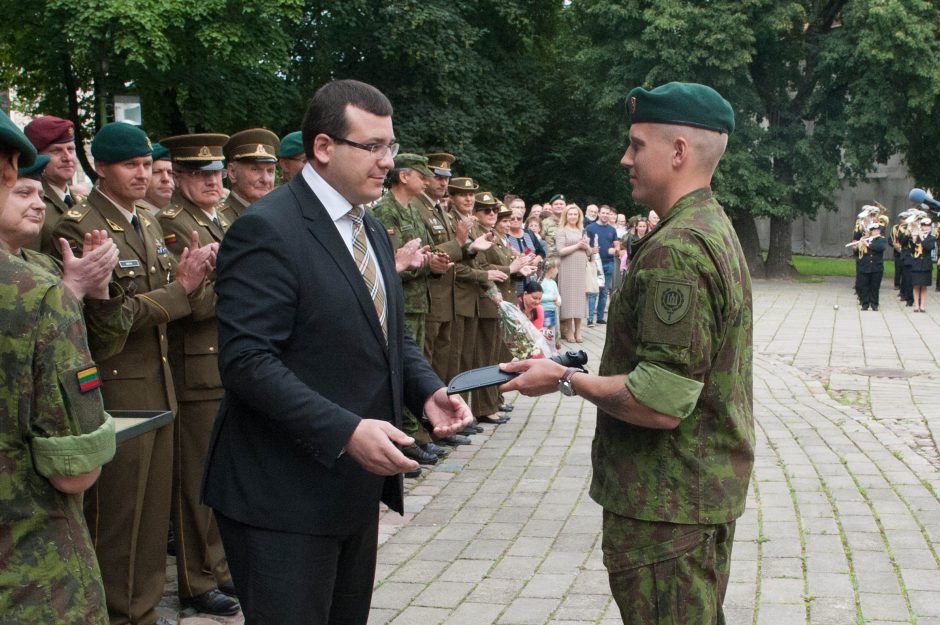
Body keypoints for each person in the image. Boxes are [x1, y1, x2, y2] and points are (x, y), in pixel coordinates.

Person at [202, 79, 473, 625]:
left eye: (391, 146)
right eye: (372, 147)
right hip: (282, 496)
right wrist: (346, 431)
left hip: (349, 489)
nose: (388, 162)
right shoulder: (267, 229)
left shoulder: (365, 224)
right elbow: (247, 362)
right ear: (324, 148)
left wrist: (428, 390)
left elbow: (386, 331)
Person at [501, 82, 753, 625]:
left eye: (637, 145)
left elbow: (659, 401)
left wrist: (565, 380)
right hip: (690, 493)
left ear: (679, 151)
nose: (625, 158)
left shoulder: (679, 249)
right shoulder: (708, 227)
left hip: (666, 502)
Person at [53, 122, 216, 625]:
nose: (143, 174)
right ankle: (118, 611)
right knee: (119, 513)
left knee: (151, 512)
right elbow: (109, 319)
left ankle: (142, 607)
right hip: (117, 383)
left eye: (147, 164)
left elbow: (167, 302)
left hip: (159, 379)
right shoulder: (78, 226)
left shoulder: (144, 222)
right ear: (100, 167)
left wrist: (183, 292)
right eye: (132, 165)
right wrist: (181, 291)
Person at [0, 109, 116, 625]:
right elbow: (77, 470)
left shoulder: (43, 273)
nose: (35, 203)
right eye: (20, 187)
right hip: (28, 568)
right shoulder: (37, 294)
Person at [158, 132, 240, 616]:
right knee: (195, 482)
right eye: (199, 175)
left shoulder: (217, 219)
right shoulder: (173, 224)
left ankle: (218, 567)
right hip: (193, 366)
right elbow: (189, 300)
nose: (211, 182)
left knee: (218, 473)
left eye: (215, 173)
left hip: (220, 359)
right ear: (181, 178)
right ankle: (195, 579)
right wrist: (234, 290)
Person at [373, 152, 452, 467]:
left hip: (419, 299)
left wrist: (434, 262)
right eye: (422, 174)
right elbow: (387, 262)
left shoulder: (414, 211)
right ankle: (406, 438)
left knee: (417, 367)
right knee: (398, 370)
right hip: (398, 299)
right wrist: (417, 264)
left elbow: (422, 253)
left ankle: (416, 435)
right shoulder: (384, 210)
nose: (428, 180)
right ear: (403, 176)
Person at [22, 115, 83, 252]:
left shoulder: (82, 202)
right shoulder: (31, 203)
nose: (67, 158)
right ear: (36, 156)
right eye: (56, 151)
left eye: (71, 149)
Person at [219, 128, 279, 222]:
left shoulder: (279, 215)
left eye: (270, 171)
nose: (266, 179)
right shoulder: (220, 220)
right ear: (232, 172)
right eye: (255, 170)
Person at [555, 203, 591, 342]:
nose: (573, 216)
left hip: (580, 267)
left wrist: (586, 246)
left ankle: (579, 330)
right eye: (570, 214)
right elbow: (561, 251)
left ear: (579, 216)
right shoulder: (562, 231)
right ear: (566, 215)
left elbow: (589, 252)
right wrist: (578, 245)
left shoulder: (582, 230)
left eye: (575, 214)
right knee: (569, 298)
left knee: (579, 299)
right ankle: (569, 330)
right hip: (567, 267)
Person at [586, 204, 619, 326]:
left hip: (609, 263)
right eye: (603, 213)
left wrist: (615, 250)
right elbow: (585, 244)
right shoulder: (590, 228)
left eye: (607, 213)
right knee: (593, 291)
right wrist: (590, 249)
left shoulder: (612, 229)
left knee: (604, 292)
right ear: (599, 214)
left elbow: (617, 245)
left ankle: (600, 317)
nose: (605, 215)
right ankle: (590, 319)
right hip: (595, 263)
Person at [850, 221, 887, 311]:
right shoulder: (863, 239)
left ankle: (874, 304)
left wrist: (868, 244)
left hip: (876, 267)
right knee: (864, 286)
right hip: (864, 266)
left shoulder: (881, 240)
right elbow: (858, 253)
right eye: (874, 230)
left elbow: (880, 248)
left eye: (878, 230)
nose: (877, 232)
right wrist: (855, 247)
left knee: (875, 286)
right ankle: (865, 304)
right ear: (870, 232)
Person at [139, 143, 175, 216]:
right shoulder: (134, 215)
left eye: (170, 172)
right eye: (157, 172)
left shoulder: (183, 217)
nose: (166, 178)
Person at [910, 216, 934, 312]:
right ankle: (916, 305)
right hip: (916, 263)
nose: (926, 227)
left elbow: (929, 247)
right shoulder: (917, 236)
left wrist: (921, 237)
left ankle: (922, 305)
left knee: (924, 286)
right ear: (921, 226)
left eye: (928, 225)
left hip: (926, 264)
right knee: (916, 285)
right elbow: (911, 250)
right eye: (924, 225)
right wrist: (914, 239)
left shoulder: (931, 237)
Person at [540, 258, 562, 349]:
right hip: (545, 311)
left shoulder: (553, 283)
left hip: (553, 311)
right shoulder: (542, 282)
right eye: (557, 268)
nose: (558, 271)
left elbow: (557, 295)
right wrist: (552, 298)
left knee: (552, 330)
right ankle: (546, 348)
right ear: (551, 269)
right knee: (546, 331)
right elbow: (540, 296)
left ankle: (552, 348)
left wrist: (559, 301)